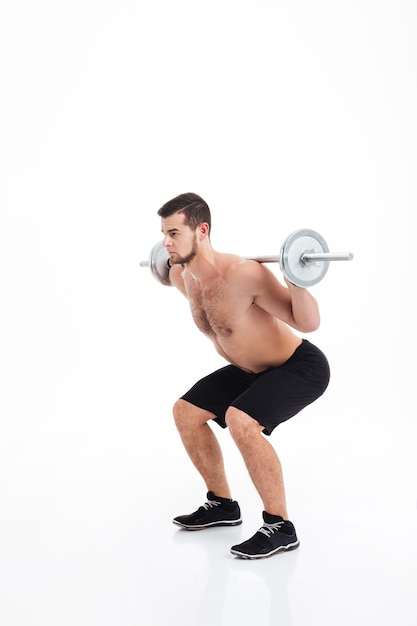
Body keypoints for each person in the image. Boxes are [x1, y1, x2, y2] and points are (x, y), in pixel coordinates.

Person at [157, 192, 330, 559]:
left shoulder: (244, 274)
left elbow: (308, 323)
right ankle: (222, 505)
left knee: (241, 419)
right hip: (249, 371)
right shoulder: (184, 277)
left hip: (298, 366)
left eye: (174, 233)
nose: (166, 242)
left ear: (201, 231)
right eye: (164, 234)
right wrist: (163, 265)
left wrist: (296, 278)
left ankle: (280, 526)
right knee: (185, 412)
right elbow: (165, 272)